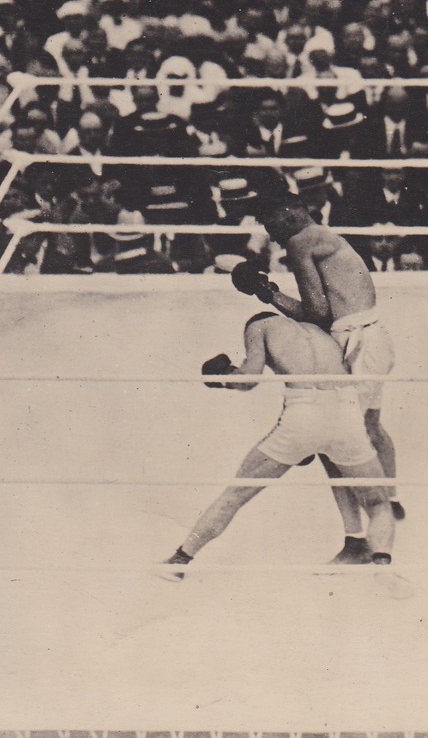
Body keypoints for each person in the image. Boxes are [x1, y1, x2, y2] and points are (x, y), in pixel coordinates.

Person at [235, 191, 402, 564]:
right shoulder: (323, 237)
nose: (270, 233)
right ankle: (388, 504)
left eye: (270, 222)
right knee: (368, 427)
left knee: (336, 441)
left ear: (290, 213)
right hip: (372, 337)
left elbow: (317, 313)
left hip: (357, 341)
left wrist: (268, 295)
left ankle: (359, 539)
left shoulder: (300, 241)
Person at [160, 311, 394, 576]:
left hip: (304, 414)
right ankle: (383, 566)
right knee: (377, 502)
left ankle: (179, 561)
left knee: (236, 494)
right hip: (346, 412)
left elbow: (250, 379)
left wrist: (225, 378)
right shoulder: (315, 328)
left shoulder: (258, 326)